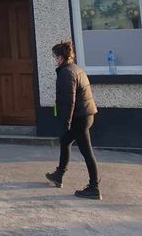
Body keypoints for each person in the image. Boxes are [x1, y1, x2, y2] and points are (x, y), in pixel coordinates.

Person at [45, 40, 101, 200]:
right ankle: (59, 174)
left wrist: (66, 123)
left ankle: (94, 187)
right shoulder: (75, 68)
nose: (55, 59)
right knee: (65, 141)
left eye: (55, 56)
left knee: (87, 151)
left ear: (61, 57)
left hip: (79, 118)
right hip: (86, 115)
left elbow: (69, 101)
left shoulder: (66, 73)